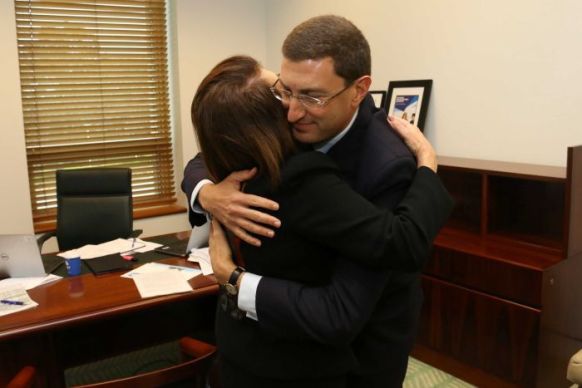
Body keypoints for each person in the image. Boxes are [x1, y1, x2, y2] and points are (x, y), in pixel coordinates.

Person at [183, 15, 453, 387]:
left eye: (311, 96)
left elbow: (398, 245)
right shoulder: (292, 120)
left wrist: (427, 169)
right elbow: (211, 151)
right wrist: (208, 194)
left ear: (359, 90)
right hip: (270, 347)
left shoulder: (385, 165)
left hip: (360, 356)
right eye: (285, 91)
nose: (292, 111)